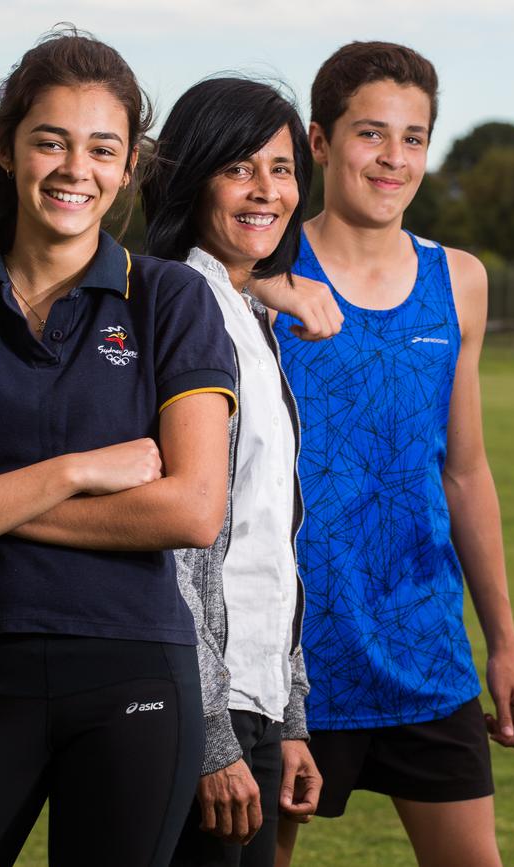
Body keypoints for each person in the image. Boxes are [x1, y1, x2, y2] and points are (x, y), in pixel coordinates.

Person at [0, 28, 238, 867]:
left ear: (129, 166)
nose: (77, 169)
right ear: (7, 150)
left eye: (102, 148)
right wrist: (77, 471)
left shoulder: (171, 299)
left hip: (136, 677)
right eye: (51, 141)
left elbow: (191, 506)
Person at [272, 41, 514, 867]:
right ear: (318, 142)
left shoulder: (460, 280)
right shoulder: (263, 275)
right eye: (371, 133)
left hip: (424, 650)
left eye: (413, 138)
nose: (394, 158)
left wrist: (505, 640)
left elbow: (465, 470)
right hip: (288, 661)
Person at [141, 77, 323, 867]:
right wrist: (214, 733)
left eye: (282, 170)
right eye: (239, 168)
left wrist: (289, 719)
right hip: (192, 709)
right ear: (191, 176)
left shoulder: (247, 315)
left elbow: (265, 540)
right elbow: (180, 541)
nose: (266, 191)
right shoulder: (179, 303)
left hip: (252, 704)